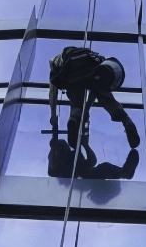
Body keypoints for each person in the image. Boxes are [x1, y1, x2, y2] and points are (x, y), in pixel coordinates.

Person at [47, 46, 140, 179]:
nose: (50, 156)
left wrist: (53, 115)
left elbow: (53, 92)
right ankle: (126, 120)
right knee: (104, 95)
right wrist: (85, 144)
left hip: (71, 74)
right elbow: (93, 92)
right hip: (93, 68)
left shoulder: (55, 64)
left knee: (76, 102)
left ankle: (74, 119)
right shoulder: (86, 55)